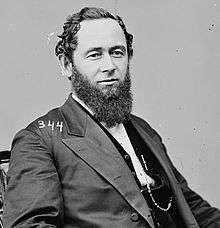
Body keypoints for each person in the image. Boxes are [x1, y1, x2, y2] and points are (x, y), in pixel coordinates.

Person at [2, 7, 220, 228]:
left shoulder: (143, 129)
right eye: (95, 55)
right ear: (67, 65)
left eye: (117, 52)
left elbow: (191, 207)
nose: (109, 66)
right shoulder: (39, 139)